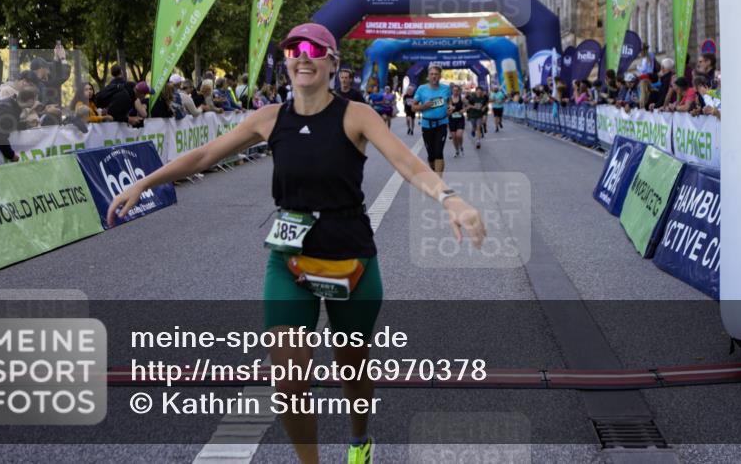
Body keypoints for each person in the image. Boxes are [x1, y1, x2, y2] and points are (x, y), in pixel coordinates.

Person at [106, 23, 486, 464]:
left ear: (332, 62)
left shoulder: (355, 115)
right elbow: (205, 155)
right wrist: (145, 183)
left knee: (353, 368)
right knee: (287, 378)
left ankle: (360, 438)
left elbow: (405, 162)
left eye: (314, 49)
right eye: (293, 49)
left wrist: (449, 198)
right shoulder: (269, 119)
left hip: (351, 257)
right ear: (286, 60)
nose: (303, 56)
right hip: (290, 258)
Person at [413, 64, 452, 176]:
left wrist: (450, 107)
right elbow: (413, 107)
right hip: (427, 125)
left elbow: (449, 101)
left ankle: (439, 182)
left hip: (442, 124)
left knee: (439, 152)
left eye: (436, 74)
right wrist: (424, 106)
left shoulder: (445, 88)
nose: (434, 76)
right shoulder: (421, 89)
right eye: (432, 74)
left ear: (440, 76)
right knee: (431, 156)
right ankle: (434, 172)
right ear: (428, 76)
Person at [465, 85, 487, 150]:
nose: (479, 93)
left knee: (478, 127)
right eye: (478, 92)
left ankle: (478, 142)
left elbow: (485, 104)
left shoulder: (483, 98)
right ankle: (472, 130)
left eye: (480, 92)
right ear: (476, 91)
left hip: (479, 115)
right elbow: (467, 104)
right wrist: (473, 107)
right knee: (474, 127)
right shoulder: (472, 98)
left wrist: (484, 107)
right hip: (472, 115)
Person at [448, 84, 466, 157]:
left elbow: (468, 106)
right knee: (454, 137)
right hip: (452, 120)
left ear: (459, 91)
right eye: (454, 90)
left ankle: (461, 145)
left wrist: (463, 110)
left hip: (460, 119)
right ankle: (457, 150)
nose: (455, 92)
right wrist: (450, 109)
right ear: (452, 91)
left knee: (459, 135)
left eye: (457, 90)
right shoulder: (449, 99)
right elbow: (447, 109)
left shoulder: (462, 98)